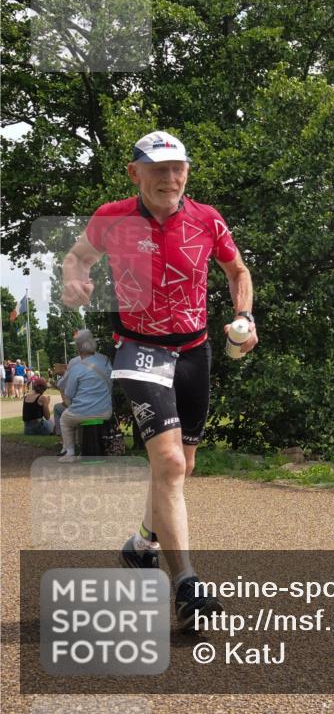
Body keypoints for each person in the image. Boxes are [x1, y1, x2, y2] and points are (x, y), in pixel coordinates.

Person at [61, 130, 258, 630]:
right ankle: (188, 586)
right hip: (139, 348)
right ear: (135, 174)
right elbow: (77, 256)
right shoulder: (112, 218)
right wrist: (74, 279)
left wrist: (245, 316)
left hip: (194, 351)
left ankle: (141, 543)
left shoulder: (208, 219)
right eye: (157, 169)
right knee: (168, 462)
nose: (170, 178)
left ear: (186, 172)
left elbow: (237, 271)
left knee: (183, 465)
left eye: (177, 169)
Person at [54, 330, 113, 460]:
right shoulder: (105, 360)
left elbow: (69, 393)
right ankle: (86, 450)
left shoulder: (76, 366)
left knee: (65, 420)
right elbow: (111, 383)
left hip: (82, 412)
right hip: (106, 411)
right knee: (81, 417)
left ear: (79, 349)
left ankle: (70, 453)